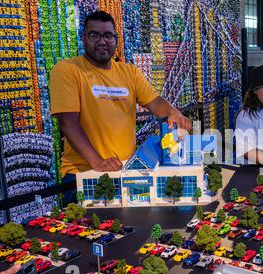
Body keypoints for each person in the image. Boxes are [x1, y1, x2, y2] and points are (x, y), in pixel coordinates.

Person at [49, 11, 191, 181]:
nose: (102, 41)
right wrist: (97, 162)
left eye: (108, 35)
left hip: (124, 169)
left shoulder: (129, 72)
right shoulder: (67, 70)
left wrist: (173, 112)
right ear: (84, 38)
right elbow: (67, 123)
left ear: (116, 39)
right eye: (94, 35)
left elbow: (155, 103)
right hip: (84, 173)